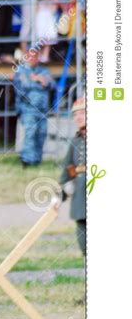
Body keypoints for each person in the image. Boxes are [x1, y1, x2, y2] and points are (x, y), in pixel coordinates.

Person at [13, 47, 53, 166]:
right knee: (30, 133)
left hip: (43, 109)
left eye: (35, 56)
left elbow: (51, 84)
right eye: (30, 56)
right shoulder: (21, 71)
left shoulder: (44, 70)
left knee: (41, 133)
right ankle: (27, 160)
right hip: (28, 108)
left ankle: (37, 160)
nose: (32, 58)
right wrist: (40, 81)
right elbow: (24, 85)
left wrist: (40, 80)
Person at [59, 97, 86, 256]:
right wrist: (61, 192)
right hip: (80, 199)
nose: (78, 117)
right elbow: (69, 168)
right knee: (84, 243)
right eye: (75, 114)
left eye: (82, 112)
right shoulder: (75, 141)